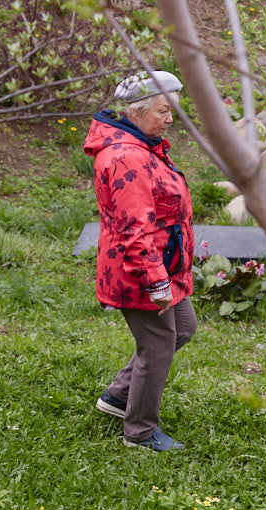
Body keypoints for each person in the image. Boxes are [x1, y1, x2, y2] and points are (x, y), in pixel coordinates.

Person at [84, 70, 196, 452]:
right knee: (159, 344)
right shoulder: (126, 158)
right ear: (136, 111)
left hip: (161, 263)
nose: (170, 119)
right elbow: (135, 230)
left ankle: (118, 396)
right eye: (164, 111)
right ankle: (140, 431)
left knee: (183, 327)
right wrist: (157, 283)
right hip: (140, 271)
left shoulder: (142, 144)